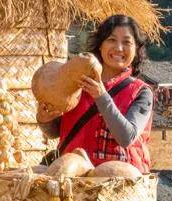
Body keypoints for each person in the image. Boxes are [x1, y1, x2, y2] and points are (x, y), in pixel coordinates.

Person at [37, 14, 153, 173]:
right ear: (100, 45)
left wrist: (101, 96)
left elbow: (126, 137)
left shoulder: (141, 92)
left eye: (127, 42)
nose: (119, 48)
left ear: (136, 49)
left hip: (117, 183)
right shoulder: (76, 82)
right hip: (72, 177)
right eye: (111, 40)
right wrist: (45, 120)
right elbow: (56, 131)